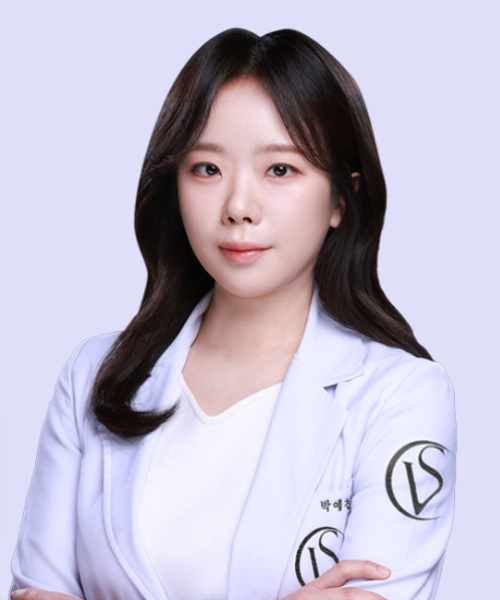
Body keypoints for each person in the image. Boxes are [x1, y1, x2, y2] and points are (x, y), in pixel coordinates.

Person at [10, 28, 456, 600]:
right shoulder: (94, 375)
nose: (239, 207)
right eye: (206, 168)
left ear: (340, 200)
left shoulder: (403, 396)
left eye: (280, 170)